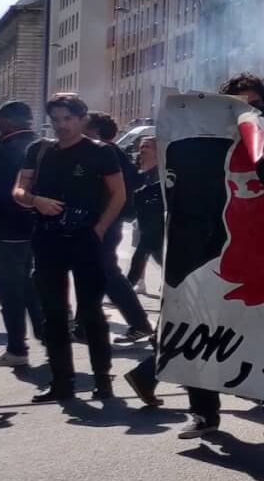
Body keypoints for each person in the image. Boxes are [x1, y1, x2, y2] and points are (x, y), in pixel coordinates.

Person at [15, 93, 126, 404]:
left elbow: (118, 195)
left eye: (68, 119)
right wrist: (35, 200)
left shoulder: (100, 152)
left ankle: (103, 380)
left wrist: (100, 228)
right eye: (56, 120)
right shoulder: (39, 150)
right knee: (52, 315)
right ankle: (61, 381)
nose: (61, 125)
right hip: (47, 239)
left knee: (91, 313)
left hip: (85, 240)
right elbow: (19, 189)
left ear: (81, 119)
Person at [80, 112, 155, 343]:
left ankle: (139, 323)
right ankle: (82, 324)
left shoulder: (107, 152)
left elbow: (125, 187)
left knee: (107, 274)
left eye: (83, 126)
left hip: (105, 223)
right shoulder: (106, 152)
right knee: (93, 273)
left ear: (95, 131)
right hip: (100, 222)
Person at [0, 101, 44, 368]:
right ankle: (48, 336)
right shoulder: (40, 145)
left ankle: (16, 349)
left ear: (10, 122)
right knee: (29, 286)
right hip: (36, 228)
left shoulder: (6, 151)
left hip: (9, 230)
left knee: (10, 292)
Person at [124, 135, 164, 296]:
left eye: (147, 146)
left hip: (155, 224)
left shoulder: (160, 172)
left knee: (142, 255)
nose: (142, 150)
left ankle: (125, 292)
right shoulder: (140, 171)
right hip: (142, 222)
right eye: (141, 146)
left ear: (156, 151)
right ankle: (136, 285)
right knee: (151, 256)